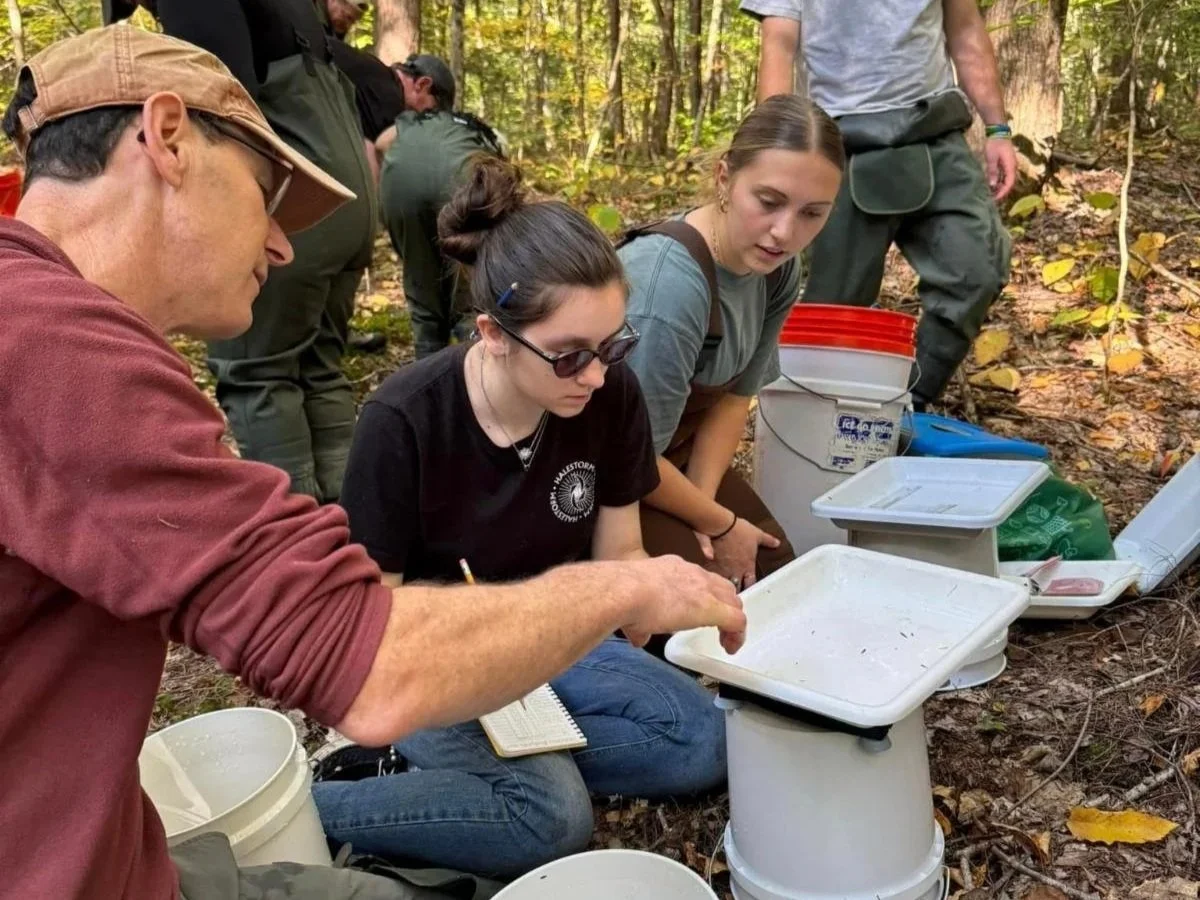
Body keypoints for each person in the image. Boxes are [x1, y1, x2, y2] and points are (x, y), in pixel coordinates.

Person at [0, 27, 746, 900]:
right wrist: (625, 589)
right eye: (264, 193)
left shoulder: (57, 335)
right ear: (166, 139)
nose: (281, 248)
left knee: (687, 741)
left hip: (109, 852)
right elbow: (360, 657)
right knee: (546, 816)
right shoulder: (49, 348)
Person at [312, 156, 728, 878]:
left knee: (704, 741)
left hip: (562, 643)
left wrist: (655, 593)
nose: (596, 376)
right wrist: (494, 666)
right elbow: (373, 621)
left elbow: (620, 554)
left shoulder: (608, 395)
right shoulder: (404, 420)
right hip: (444, 660)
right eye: (570, 357)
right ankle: (314, 806)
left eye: (612, 347)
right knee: (552, 819)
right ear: (493, 333)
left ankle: (497, 775)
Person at [104, 0, 379, 503]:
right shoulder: (300, 13)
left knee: (259, 375)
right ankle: (357, 525)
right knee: (320, 367)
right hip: (348, 204)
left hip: (292, 203)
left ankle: (301, 551)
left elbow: (216, 109)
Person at [617, 95, 843, 597]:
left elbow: (736, 399)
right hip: (601, 476)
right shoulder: (669, 286)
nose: (785, 232)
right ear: (725, 178)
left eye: (812, 213)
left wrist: (705, 513)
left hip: (668, 461)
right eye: (768, 202)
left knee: (778, 575)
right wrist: (717, 526)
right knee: (703, 596)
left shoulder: (776, 269)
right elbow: (628, 454)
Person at [742, 0, 1017, 409]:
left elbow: (964, 28)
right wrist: (779, 147)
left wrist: (997, 127)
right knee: (832, 311)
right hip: (840, 143)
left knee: (977, 269)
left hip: (935, 130)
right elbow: (779, 44)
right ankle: (814, 423)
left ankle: (904, 405)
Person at [376, 55, 508, 359]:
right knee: (467, 290)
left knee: (422, 291)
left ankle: (429, 365)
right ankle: (471, 361)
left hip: (401, 194)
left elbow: (382, 145)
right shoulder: (473, 127)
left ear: (424, 85)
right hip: (463, 190)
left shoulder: (406, 124)